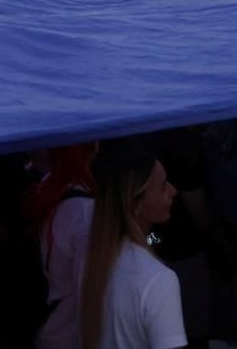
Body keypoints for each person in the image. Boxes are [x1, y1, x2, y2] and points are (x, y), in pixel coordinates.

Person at [80, 147, 186, 349]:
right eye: (163, 187)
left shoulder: (88, 260)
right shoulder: (159, 279)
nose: (173, 191)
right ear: (136, 204)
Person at [29, 144, 97, 349]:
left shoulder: (50, 186)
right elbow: (89, 291)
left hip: (55, 324)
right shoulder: (84, 211)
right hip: (72, 334)